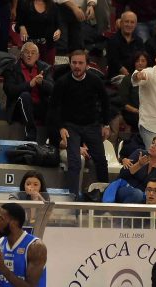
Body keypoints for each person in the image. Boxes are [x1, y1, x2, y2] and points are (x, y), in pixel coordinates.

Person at [51, 50, 110, 196]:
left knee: (101, 160)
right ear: (70, 63)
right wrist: (61, 127)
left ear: (87, 65)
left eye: (80, 63)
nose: (77, 66)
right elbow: (54, 107)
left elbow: (105, 102)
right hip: (71, 126)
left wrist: (106, 124)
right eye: (74, 63)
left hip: (92, 125)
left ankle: (106, 196)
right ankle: (73, 196)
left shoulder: (95, 80)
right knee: (74, 161)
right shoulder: (62, 82)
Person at [2, 42, 54, 142]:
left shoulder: (45, 68)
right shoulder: (11, 68)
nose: (30, 55)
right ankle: (31, 135)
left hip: (39, 107)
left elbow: (53, 89)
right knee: (25, 96)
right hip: (18, 109)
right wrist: (29, 84)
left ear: (38, 56)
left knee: (56, 101)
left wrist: (42, 83)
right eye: (27, 52)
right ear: (21, 55)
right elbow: (10, 90)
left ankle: (55, 139)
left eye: (33, 53)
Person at [114, 135, 156, 203]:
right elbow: (123, 174)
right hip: (123, 188)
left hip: (144, 196)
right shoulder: (139, 153)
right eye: (153, 143)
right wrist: (139, 164)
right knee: (138, 194)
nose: (152, 146)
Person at [16, 0, 61, 65]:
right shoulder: (25, 4)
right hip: (30, 46)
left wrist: (58, 31)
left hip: (48, 45)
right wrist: (21, 27)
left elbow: (58, 25)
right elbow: (18, 23)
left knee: (48, 68)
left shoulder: (53, 5)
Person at [106, 10, 145, 80]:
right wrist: (129, 77)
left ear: (135, 25)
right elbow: (113, 61)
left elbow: (141, 59)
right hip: (118, 76)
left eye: (132, 22)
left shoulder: (139, 41)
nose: (129, 25)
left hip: (135, 74)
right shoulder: (112, 40)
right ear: (121, 23)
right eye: (126, 22)